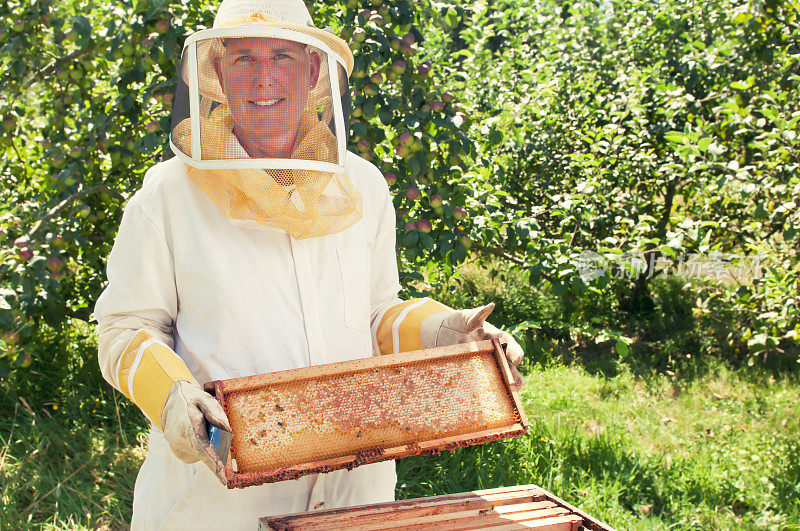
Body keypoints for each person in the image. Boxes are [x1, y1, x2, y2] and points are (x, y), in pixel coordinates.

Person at [94, 0, 524, 528]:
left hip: (353, 490)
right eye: (244, 58)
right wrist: (171, 396)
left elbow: (374, 315)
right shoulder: (167, 193)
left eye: (283, 55)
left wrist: (444, 333)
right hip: (217, 501)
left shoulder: (362, 184)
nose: (264, 77)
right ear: (217, 72)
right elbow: (125, 328)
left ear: (315, 69)